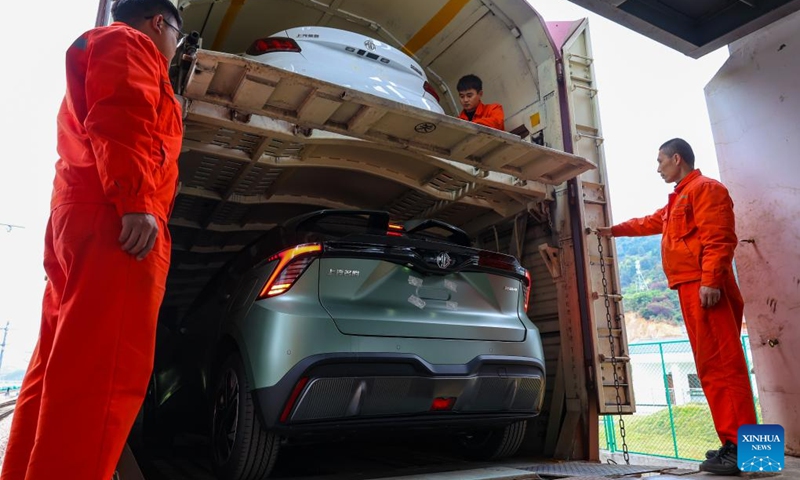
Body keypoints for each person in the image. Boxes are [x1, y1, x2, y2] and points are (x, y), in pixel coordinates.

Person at [1, 1, 184, 479]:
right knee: (101, 380)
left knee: (59, 370)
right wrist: (139, 198)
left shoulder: (107, 46)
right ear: (160, 22)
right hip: (114, 221)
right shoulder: (132, 43)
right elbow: (124, 111)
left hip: (84, 215)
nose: (173, 51)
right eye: (177, 40)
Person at [598, 138, 756, 476]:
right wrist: (610, 231)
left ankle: (748, 452)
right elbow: (646, 223)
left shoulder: (706, 189)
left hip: (705, 287)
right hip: (692, 288)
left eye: (660, 161)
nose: (658, 168)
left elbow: (720, 237)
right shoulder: (678, 199)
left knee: (724, 368)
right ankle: (733, 444)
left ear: (677, 158)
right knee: (712, 369)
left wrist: (711, 281)